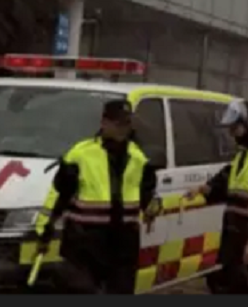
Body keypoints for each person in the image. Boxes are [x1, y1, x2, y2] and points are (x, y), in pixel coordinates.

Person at [34, 99, 159, 294]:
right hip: (85, 243)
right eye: (118, 123)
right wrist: (45, 231)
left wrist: (153, 205)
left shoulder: (139, 158)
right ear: (104, 123)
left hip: (123, 244)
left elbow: (147, 195)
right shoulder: (80, 154)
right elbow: (59, 194)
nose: (122, 129)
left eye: (126, 124)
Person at [188, 99, 248, 294]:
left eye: (235, 128)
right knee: (227, 285)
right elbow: (229, 178)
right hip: (234, 235)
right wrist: (206, 188)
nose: (232, 133)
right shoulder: (244, 154)